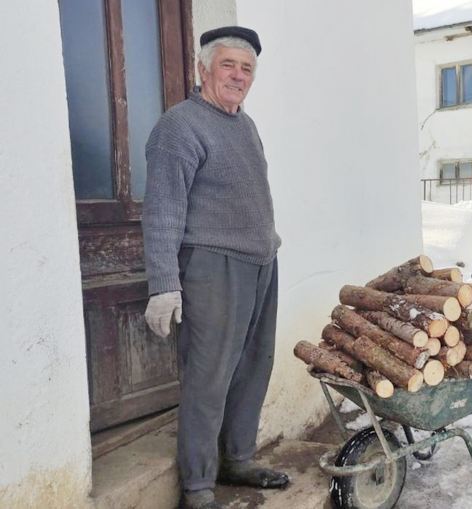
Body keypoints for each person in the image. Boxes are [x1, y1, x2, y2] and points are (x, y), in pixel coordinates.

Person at [142, 26, 288, 509]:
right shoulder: (179, 126)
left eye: (247, 69)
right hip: (211, 266)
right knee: (209, 376)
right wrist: (164, 284)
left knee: (254, 367)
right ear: (203, 68)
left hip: (261, 262)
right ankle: (199, 486)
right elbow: (162, 209)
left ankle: (238, 459)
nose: (238, 76)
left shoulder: (245, 124)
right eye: (228, 64)